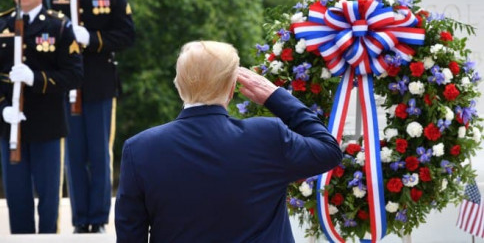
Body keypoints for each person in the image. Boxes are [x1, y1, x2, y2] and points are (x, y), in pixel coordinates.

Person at [115, 41, 343, 242]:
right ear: (232, 89)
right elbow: (328, 150)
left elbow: (130, 235)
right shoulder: (267, 135)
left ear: (179, 84)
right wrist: (276, 96)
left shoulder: (140, 149)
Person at [0, 0, 83, 234]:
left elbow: (74, 76)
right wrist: (2, 108)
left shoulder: (59, 26)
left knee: (49, 197)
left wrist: (35, 78)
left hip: (47, 123)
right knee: (17, 197)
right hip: (10, 123)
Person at [44, 0, 135, 233]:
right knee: (73, 155)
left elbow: (127, 34)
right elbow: (43, 34)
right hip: (65, 87)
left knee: (99, 153)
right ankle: (80, 219)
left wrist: (93, 39)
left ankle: (98, 218)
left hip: (99, 84)